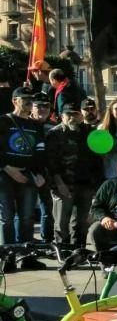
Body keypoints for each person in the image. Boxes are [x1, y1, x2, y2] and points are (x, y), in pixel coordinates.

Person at [0, 88, 46, 270]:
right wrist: (8, 169)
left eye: (31, 99)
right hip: (5, 175)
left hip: (28, 175)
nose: (29, 101)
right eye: (25, 98)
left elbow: (40, 152)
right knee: (7, 218)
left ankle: (26, 257)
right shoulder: (3, 121)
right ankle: (7, 258)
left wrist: (40, 174)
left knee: (27, 217)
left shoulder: (36, 126)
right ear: (14, 101)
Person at [45, 103, 101, 246]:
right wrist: (59, 183)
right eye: (68, 114)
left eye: (75, 114)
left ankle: (78, 249)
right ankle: (62, 250)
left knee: (81, 222)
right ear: (62, 116)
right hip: (63, 184)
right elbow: (51, 163)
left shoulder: (89, 132)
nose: (72, 118)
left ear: (81, 116)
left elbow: (97, 158)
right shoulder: (54, 134)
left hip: (86, 184)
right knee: (61, 222)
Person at [29, 91, 55, 243]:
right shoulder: (24, 124)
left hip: (48, 173)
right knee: (25, 212)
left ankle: (47, 241)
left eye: (46, 106)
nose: (43, 109)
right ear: (32, 107)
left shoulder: (53, 127)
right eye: (38, 106)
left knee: (47, 210)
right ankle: (25, 242)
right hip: (27, 172)